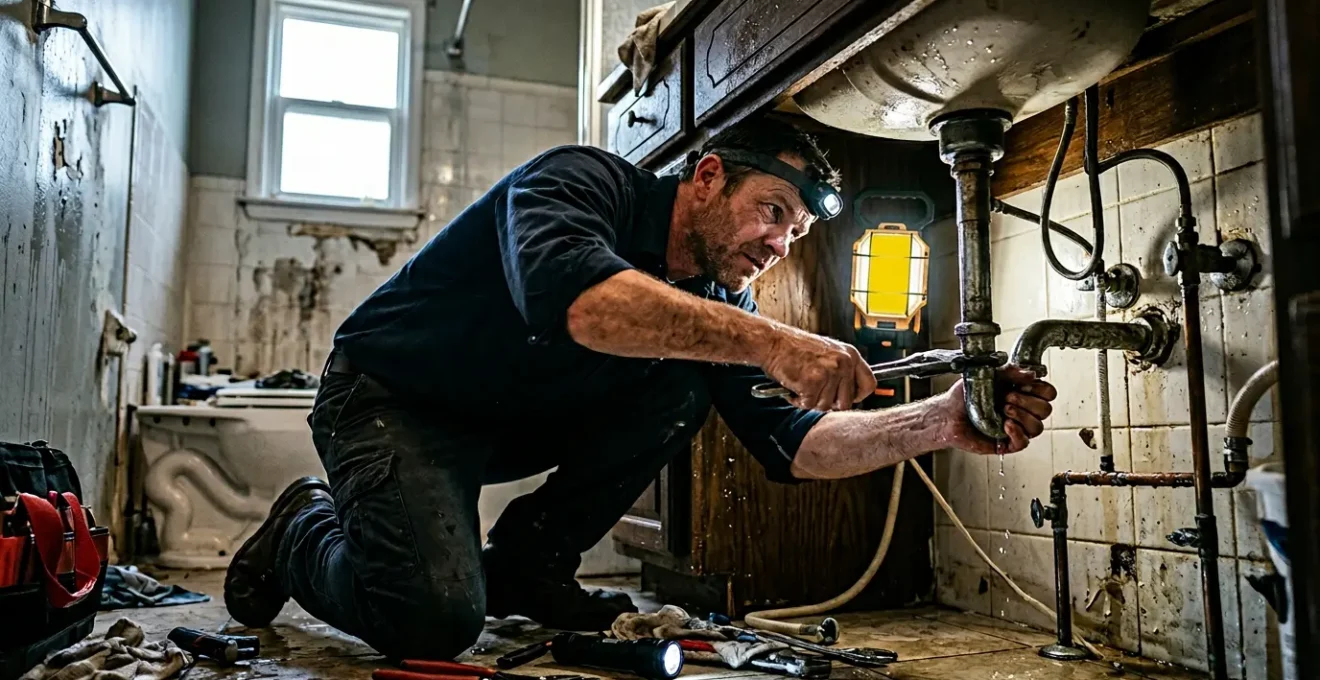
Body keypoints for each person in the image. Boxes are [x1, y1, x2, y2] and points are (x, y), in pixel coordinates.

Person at [222, 117, 1056, 660]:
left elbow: (792, 446)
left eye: (795, 235)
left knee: (682, 388)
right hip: (389, 396)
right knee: (433, 621)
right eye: (771, 211)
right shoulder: (581, 183)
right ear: (707, 177)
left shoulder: (724, 302)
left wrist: (942, 421)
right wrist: (775, 341)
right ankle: (303, 523)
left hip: (497, 423)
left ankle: (529, 568)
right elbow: (581, 306)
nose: (777, 245)